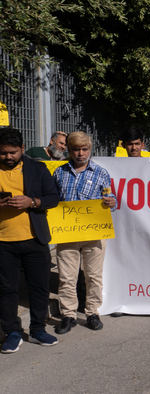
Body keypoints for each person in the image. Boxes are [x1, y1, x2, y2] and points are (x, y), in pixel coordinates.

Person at [0, 127, 60, 353]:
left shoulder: (38, 168)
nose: (8, 157)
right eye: (3, 153)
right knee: (6, 289)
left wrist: (32, 202)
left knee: (39, 287)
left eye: (13, 152)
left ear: (22, 149)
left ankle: (37, 330)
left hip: (35, 239)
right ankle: (13, 332)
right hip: (3, 241)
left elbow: (53, 198)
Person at [53, 131, 117, 334]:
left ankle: (92, 312)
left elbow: (110, 198)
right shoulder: (59, 172)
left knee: (94, 276)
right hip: (67, 234)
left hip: (94, 235)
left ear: (90, 149)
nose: (81, 153)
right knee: (66, 277)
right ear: (69, 150)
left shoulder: (101, 173)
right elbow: (52, 200)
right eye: (76, 149)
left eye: (84, 149)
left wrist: (112, 202)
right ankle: (68, 315)